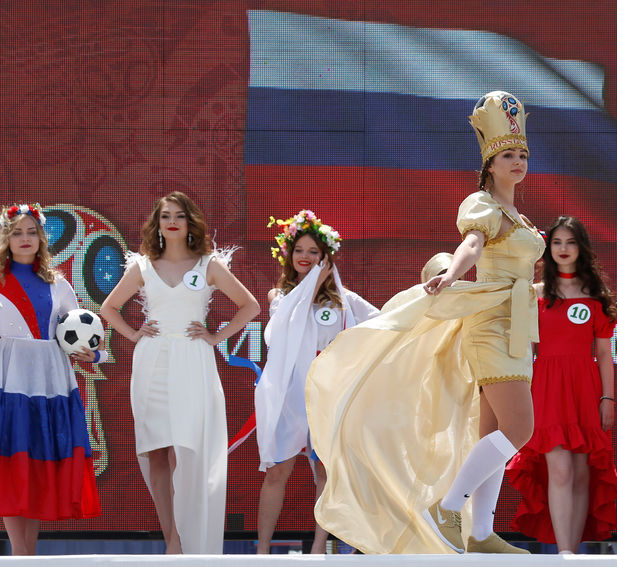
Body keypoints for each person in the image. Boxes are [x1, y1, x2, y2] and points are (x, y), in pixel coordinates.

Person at [306, 91, 544, 554]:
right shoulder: (484, 207)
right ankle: (448, 506)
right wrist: (453, 274)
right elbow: (472, 247)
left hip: (517, 326)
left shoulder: (520, 217)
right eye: (508, 156)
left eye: (522, 155)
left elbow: (518, 276)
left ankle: (478, 534)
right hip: (491, 325)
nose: (517, 163)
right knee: (519, 431)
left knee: (494, 433)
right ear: (491, 165)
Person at [101, 192, 259, 554]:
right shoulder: (141, 266)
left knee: (183, 453)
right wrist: (133, 334)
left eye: (179, 215)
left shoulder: (208, 265)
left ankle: (179, 543)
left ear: (190, 222)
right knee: (156, 451)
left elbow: (249, 306)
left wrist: (216, 336)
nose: (172, 221)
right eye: (165, 216)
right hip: (152, 361)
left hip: (192, 360)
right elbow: (110, 308)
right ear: (156, 225)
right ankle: (171, 536)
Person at [0, 203, 101, 555]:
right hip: (8, 377)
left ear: (41, 239)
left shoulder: (59, 283)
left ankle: (28, 556)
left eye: (31, 232)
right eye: (17, 232)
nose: (25, 239)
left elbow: (82, 331)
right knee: (9, 456)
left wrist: (93, 354)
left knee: (37, 457)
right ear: (6, 239)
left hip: (50, 379)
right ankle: (20, 553)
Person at [255, 210, 378, 554]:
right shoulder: (280, 295)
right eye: (300, 251)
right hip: (291, 394)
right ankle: (262, 550)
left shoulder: (346, 301)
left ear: (326, 258)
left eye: (313, 252)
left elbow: (383, 324)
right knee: (277, 471)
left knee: (324, 473)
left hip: (329, 395)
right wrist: (310, 286)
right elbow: (277, 332)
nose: (305, 258)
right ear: (288, 256)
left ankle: (319, 547)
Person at [507, 216, 617, 553]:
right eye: (557, 242)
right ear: (547, 248)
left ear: (581, 247)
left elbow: (603, 352)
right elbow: (523, 349)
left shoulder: (596, 296)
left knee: (582, 472)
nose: (563, 249)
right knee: (559, 469)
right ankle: (565, 553)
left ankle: (572, 549)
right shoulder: (534, 294)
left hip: (585, 388)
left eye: (570, 242)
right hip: (546, 387)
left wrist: (608, 399)